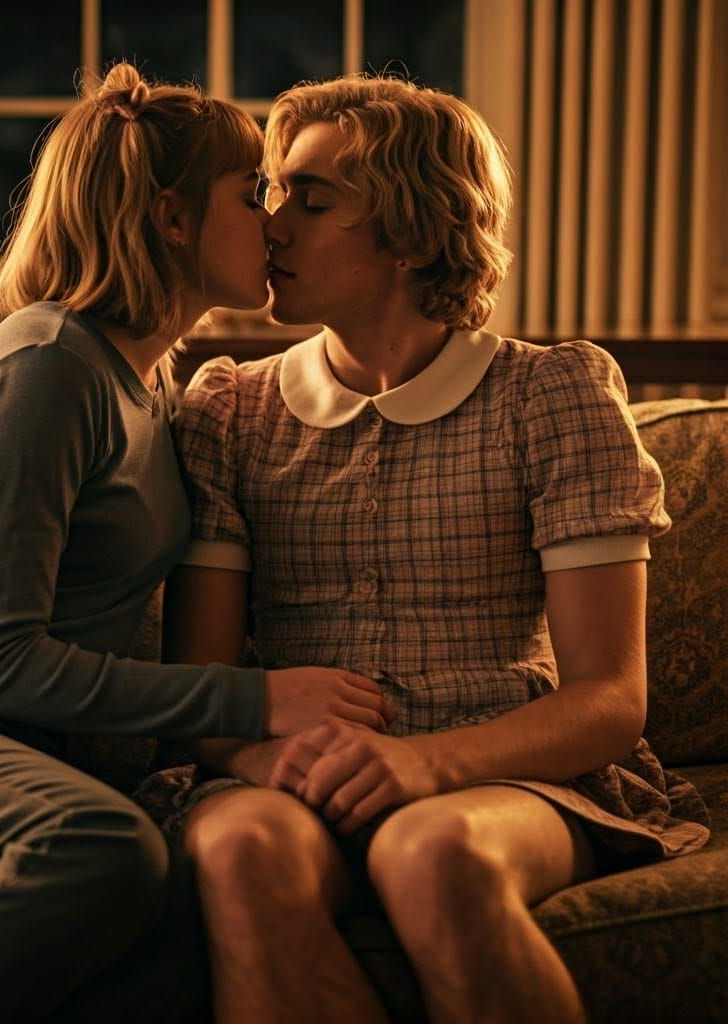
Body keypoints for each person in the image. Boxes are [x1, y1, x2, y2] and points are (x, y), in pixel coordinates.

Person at [0, 64, 392, 1024]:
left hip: (17, 753)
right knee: (103, 845)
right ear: (172, 220)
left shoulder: (152, 383)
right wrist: (257, 698)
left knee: (209, 883)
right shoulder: (49, 365)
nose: (273, 223)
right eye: (250, 192)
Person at [141, 75, 712, 1024]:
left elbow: (610, 701)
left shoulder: (552, 397)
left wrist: (425, 765)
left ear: (411, 230)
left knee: (431, 854)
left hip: (508, 777)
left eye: (312, 199)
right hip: (282, 773)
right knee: (240, 852)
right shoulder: (229, 410)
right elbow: (201, 686)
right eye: (274, 192)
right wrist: (259, 763)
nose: (271, 224)